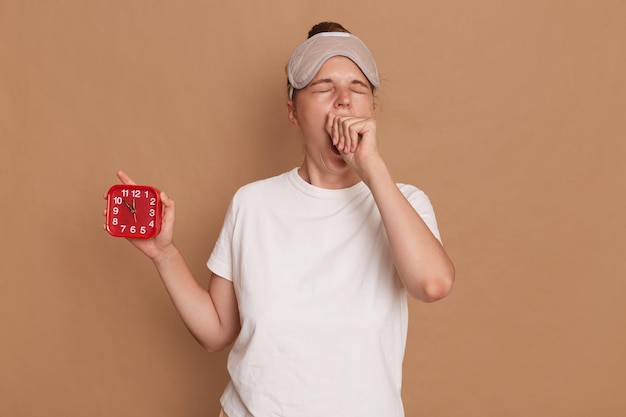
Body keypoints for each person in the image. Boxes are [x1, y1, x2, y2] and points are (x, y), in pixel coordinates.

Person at [106, 21, 454, 417]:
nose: (342, 100)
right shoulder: (251, 204)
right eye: (323, 87)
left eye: (357, 88)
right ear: (292, 112)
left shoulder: (403, 202)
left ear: (371, 108)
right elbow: (216, 331)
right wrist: (163, 254)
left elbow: (433, 283)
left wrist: (370, 167)